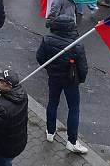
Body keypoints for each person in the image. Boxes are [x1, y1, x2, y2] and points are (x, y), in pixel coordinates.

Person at [36, 15, 89, 154]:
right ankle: (72, 141)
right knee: (74, 108)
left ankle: (50, 132)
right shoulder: (76, 45)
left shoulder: (47, 39)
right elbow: (83, 68)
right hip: (71, 81)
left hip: (54, 77)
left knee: (53, 102)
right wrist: (80, 80)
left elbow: (40, 58)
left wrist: (50, 69)